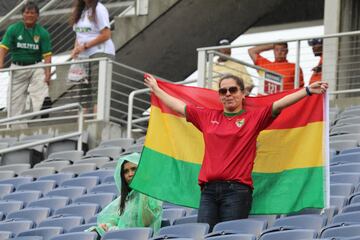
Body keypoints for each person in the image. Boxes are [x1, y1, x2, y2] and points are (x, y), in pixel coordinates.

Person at [144, 73, 327, 230]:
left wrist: (308, 90)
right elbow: (178, 107)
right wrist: (156, 90)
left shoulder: (253, 118)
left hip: (237, 191)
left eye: (233, 90)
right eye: (223, 91)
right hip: (208, 191)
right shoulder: (207, 117)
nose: (228, 94)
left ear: (243, 93)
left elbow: (278, 105)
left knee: (230, 235)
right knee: (203, 235)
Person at [86, 152, 162, 239]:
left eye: (134, 169)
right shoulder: (124, 200)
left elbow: (144, 223)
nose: (130, 174)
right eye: (126, 171)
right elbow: (113, 219)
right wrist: (106, 227)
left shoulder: (151, 194)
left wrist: (143, 189)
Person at [0, 1, 52, 117]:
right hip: (17, 67)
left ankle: (43, 111)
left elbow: (47, 56)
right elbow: (3, 47)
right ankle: (16, 125)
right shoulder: (13, 29)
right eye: (27, 12)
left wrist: (48, 74)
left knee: (41, 85)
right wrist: (0, 64)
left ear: (37, 16)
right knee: (15, 101)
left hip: (35, 65)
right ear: (22, 15)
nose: (29, 15)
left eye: (32, 13)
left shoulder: (42, 33)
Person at [70, 0, 115, 113]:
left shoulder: (99, 8)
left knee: (98, 91)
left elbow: (106, 34)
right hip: (83, 56)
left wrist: (85, 46)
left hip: (100, 52)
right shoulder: (80, 10)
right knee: (82, 93)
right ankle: (81, 126)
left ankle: (97, 124)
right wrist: (76, 49)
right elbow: (79, 35)